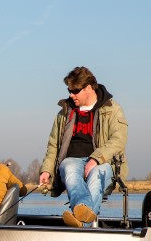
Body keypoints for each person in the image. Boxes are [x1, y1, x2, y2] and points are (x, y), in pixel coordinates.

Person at [38, 66, 128, 227]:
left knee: (97, 175)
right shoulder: (64, 113)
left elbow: (118, 140)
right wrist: (46, 170)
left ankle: (80, 222)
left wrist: (96, 159)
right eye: (69, 91)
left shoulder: (112, 109)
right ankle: (84, 216)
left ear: (88, 88)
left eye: (75, 91)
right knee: (70, 169)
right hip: (71, 161)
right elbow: (53, 145)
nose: (71, 95)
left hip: (103, 163)